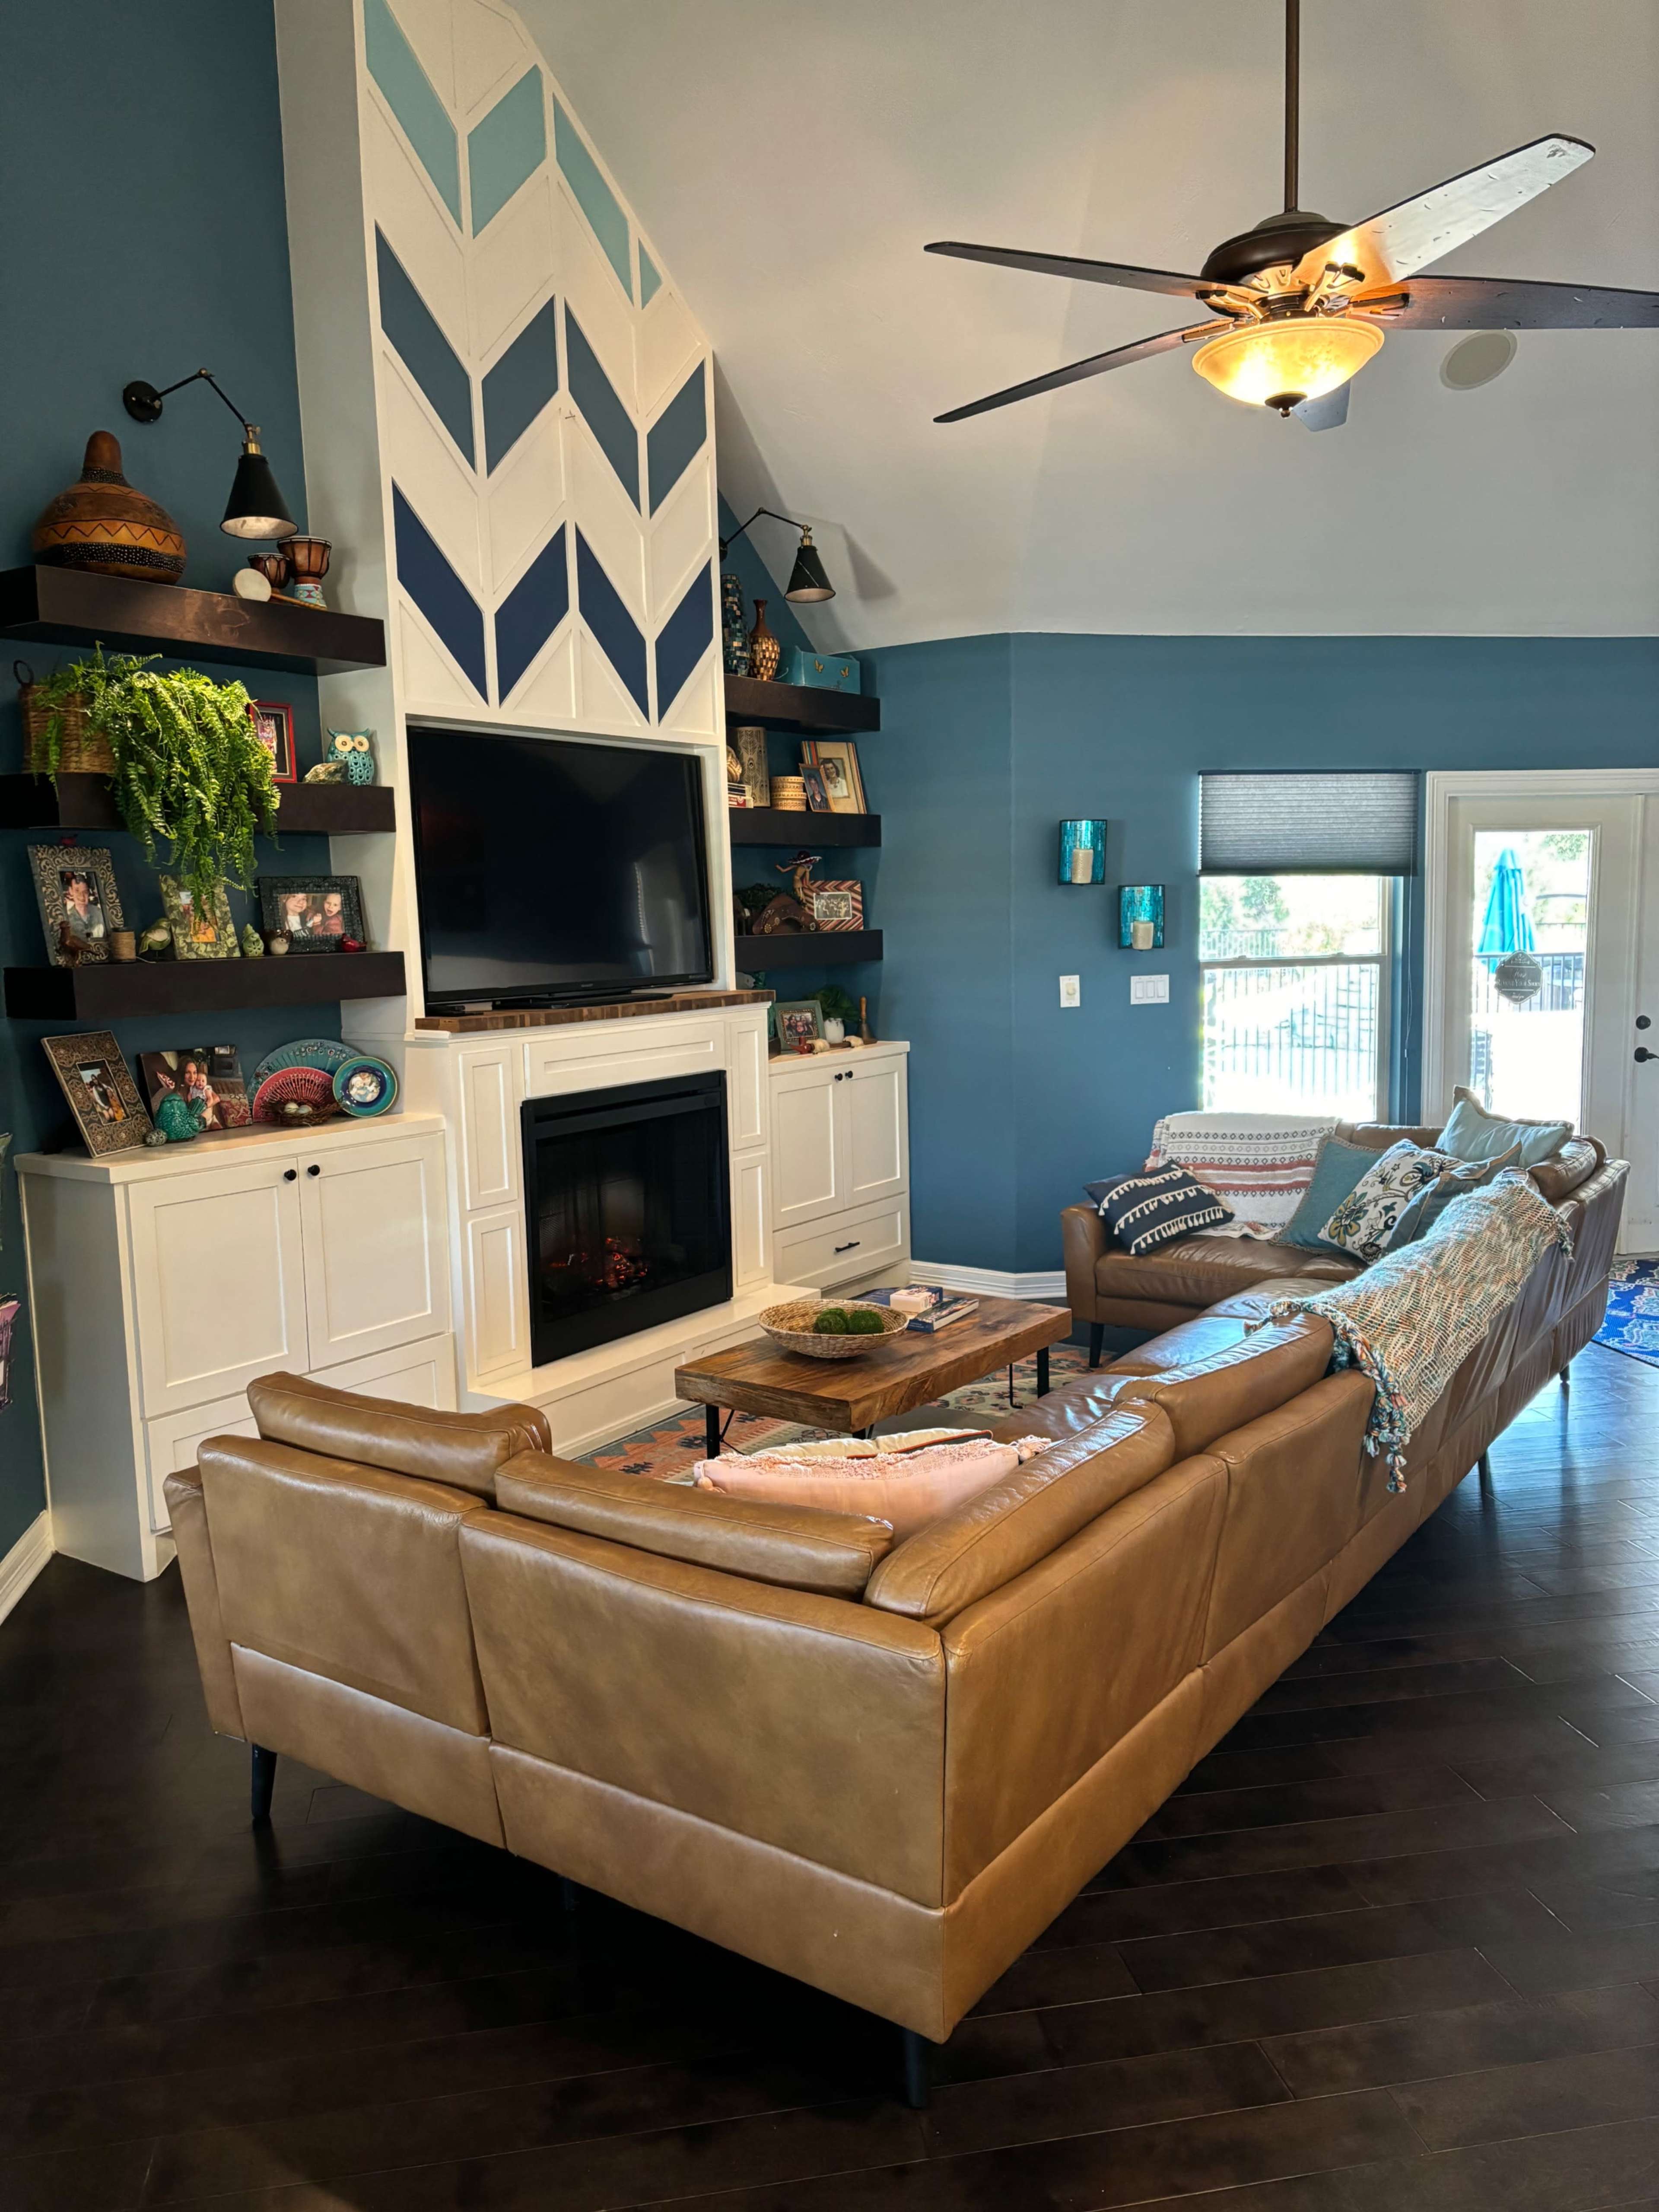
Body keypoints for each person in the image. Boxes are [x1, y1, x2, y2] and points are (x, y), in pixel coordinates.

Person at [61, 869, 106, 948]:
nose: (82, 896)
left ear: (89, 893)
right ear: (71, 891)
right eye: (77, 890)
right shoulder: (67, 917)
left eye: (85, 892)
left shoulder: (99, 913)